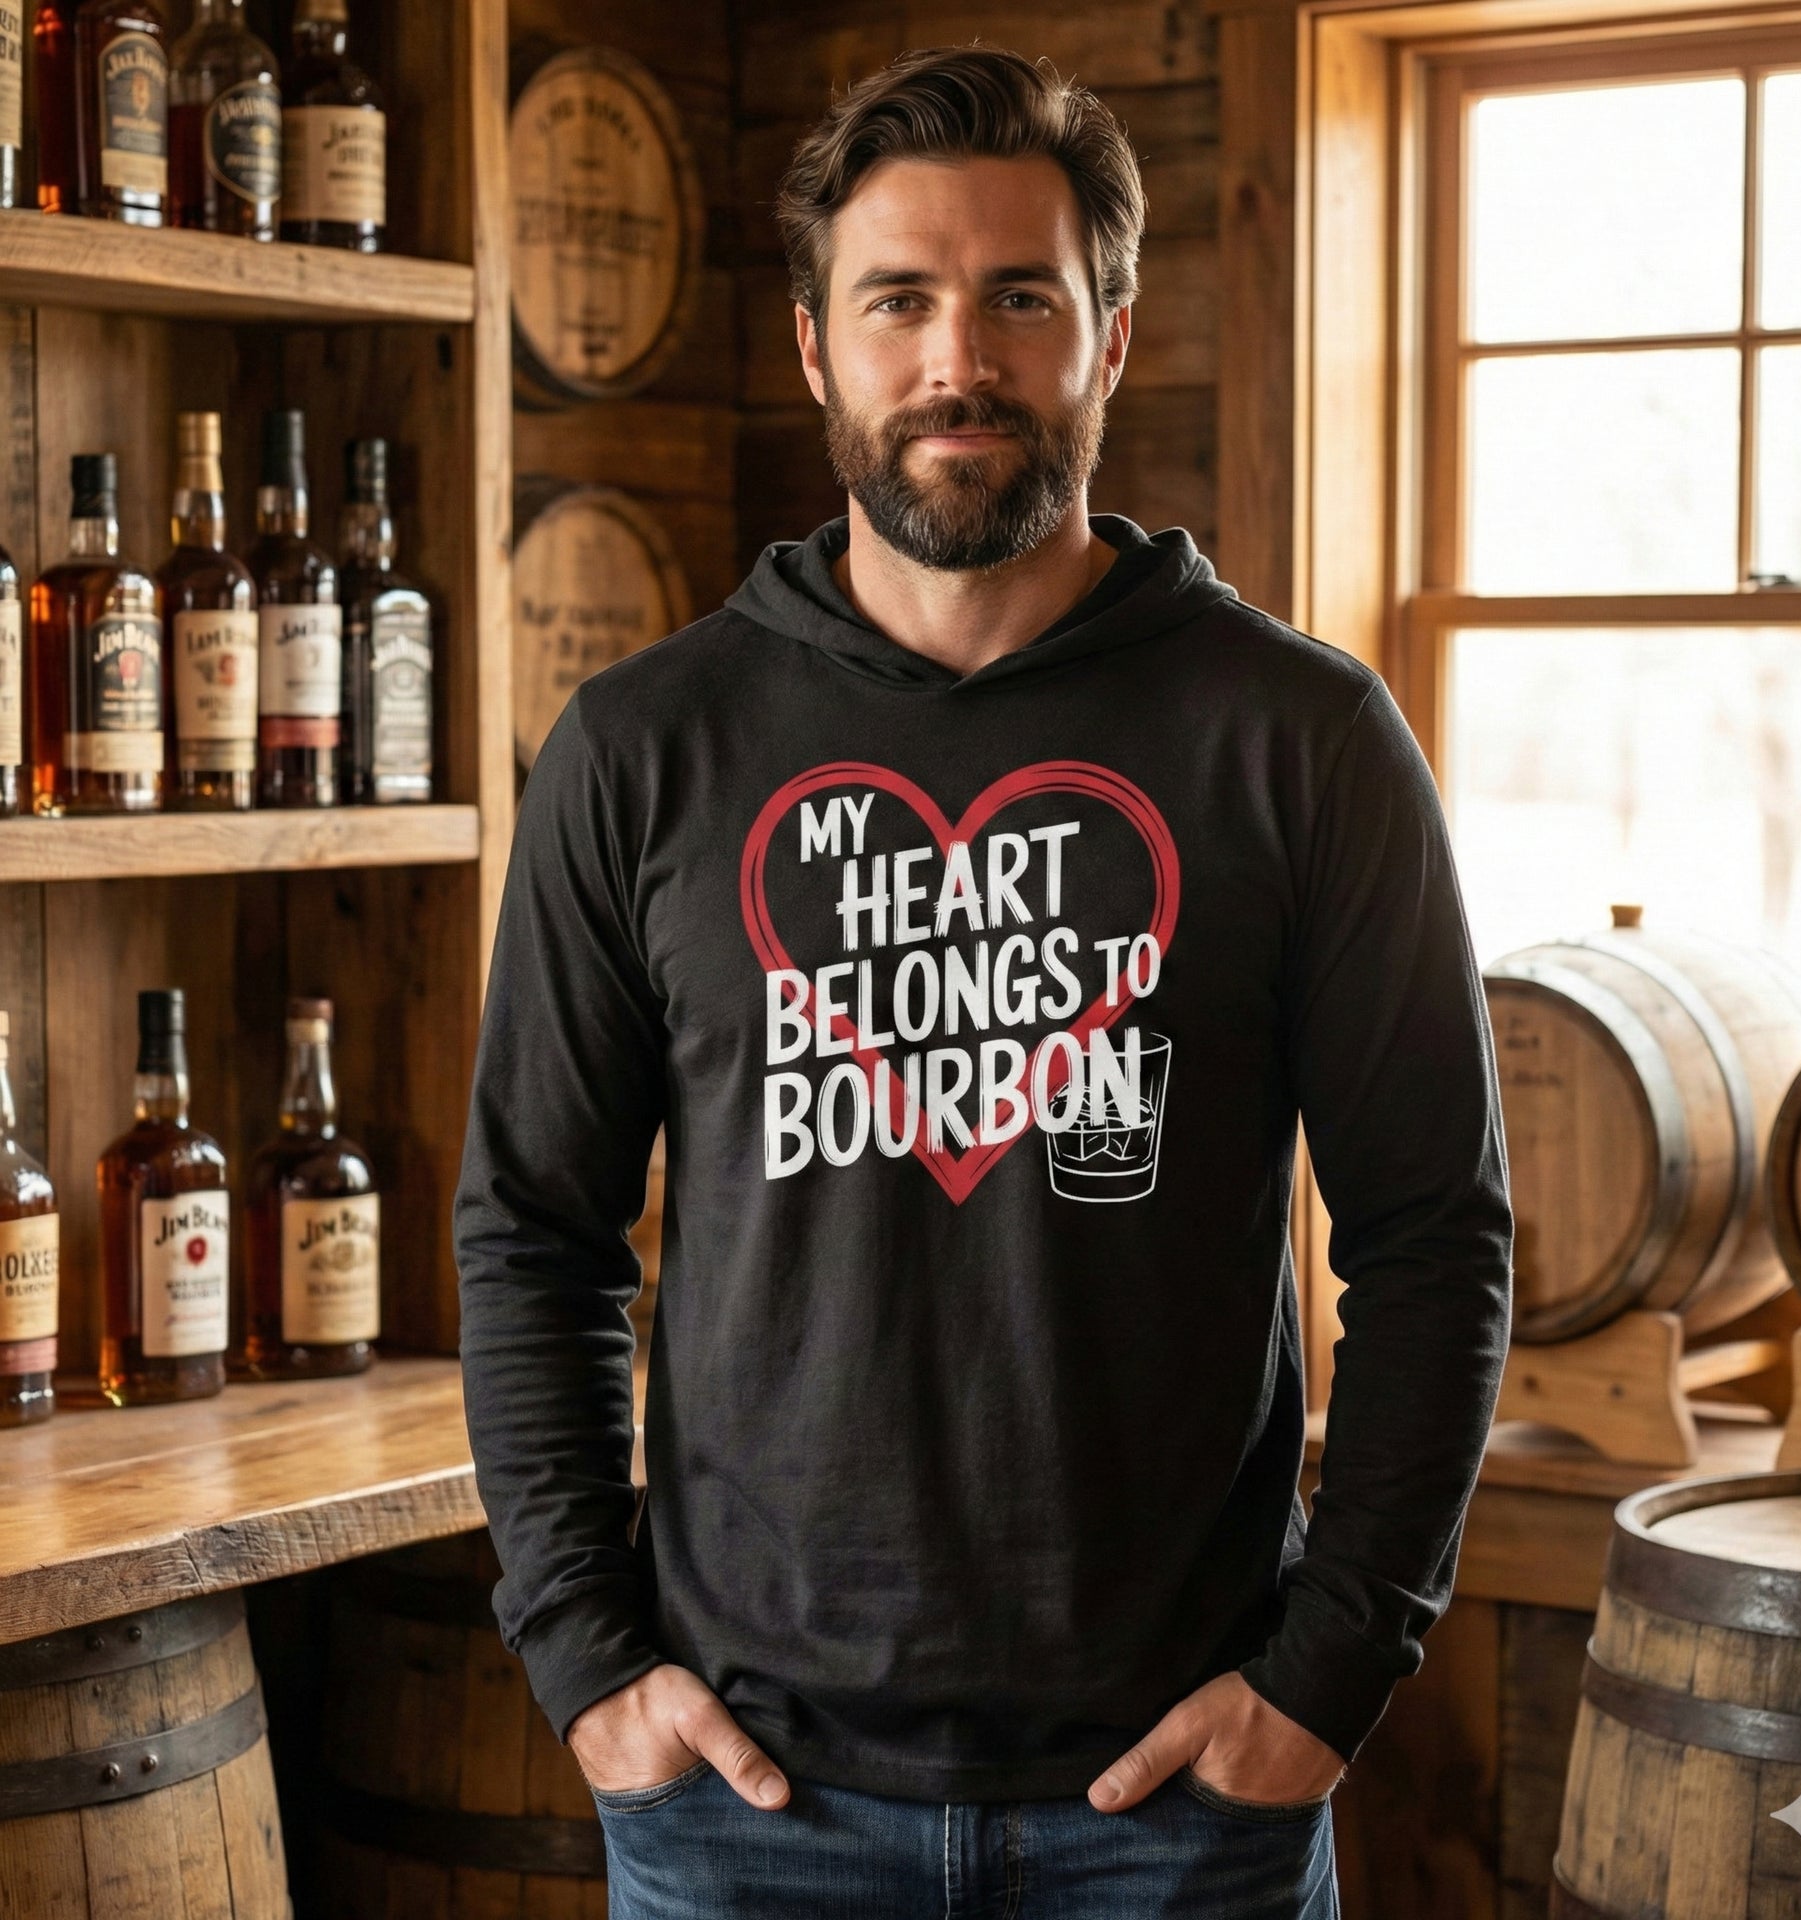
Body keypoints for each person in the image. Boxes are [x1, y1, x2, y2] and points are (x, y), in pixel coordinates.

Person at [455, 43, 1512, 1920]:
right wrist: (588, 1663)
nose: (961, 359)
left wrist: (1327, 1680)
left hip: (1179, 1809)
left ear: (1110, 332)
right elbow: (533, 1231)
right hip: (746, 1815)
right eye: (900, 302)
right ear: (813, 348)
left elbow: (1436, 1239)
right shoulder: (640, 751)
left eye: (1021, 296)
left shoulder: (1301, 739)